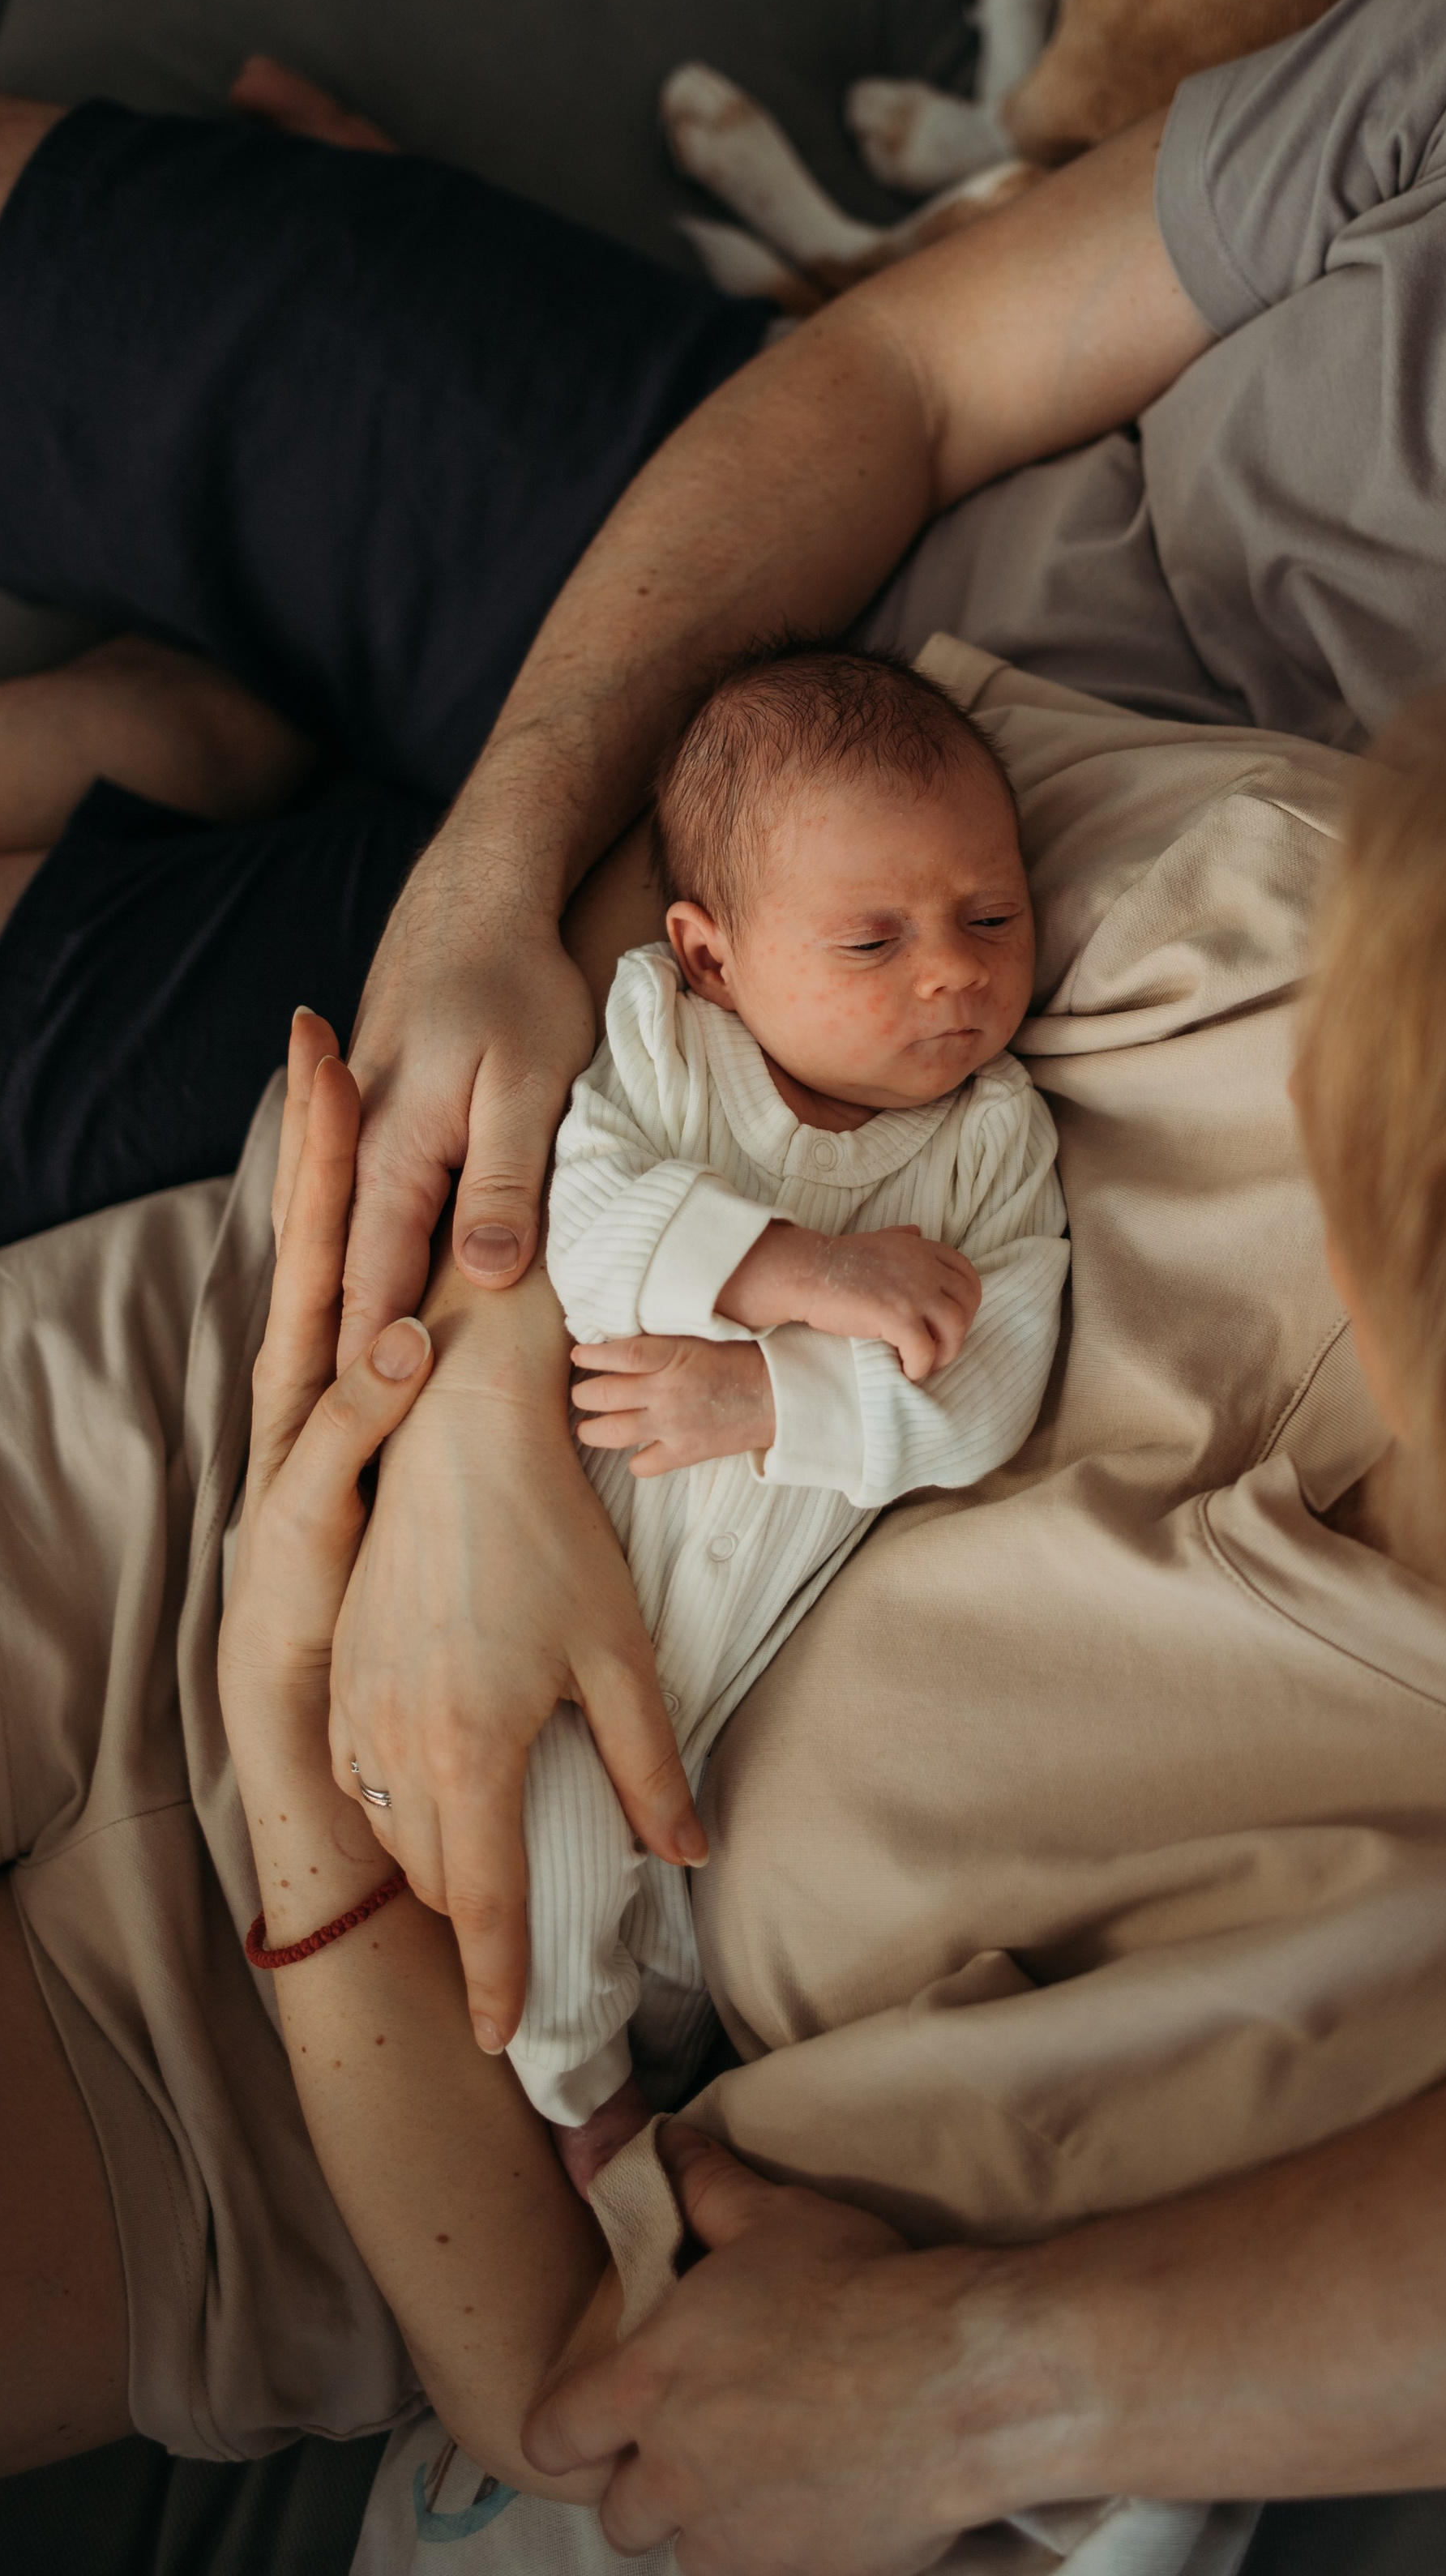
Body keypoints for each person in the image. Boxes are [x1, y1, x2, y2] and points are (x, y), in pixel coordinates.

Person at [0, 0, 1446, 2518]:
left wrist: (305, 1791)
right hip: (661, 899)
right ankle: (193, 754)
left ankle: (139, 758)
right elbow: (910, 374)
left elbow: (621, 2351)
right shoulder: (1334, 830)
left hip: (366, 1954)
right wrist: (501, 1164)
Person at [0, 664, 1446, 2576]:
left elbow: (589, 2368)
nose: (1344, 1029)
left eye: (1407, 1078)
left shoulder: (1416, 1912)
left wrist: (291, 1757)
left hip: (339, 2086)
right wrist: (483, 1384)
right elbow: (711, 858)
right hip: (243, 1419)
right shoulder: (1317, 908)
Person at [519, 642, 1067, 2180]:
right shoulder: (658, 1051)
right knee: (559, 1850)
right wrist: (789, 1268)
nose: (952, 974)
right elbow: (585, 1229)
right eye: (871, 941)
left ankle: (676, 2101)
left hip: (760, 1671)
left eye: (990, 917)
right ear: (710, 958)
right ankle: (579, 2108)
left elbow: (989, 1388)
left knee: (702, 1926)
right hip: (570, 1612)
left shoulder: (989, 1146)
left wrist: (765, 1394)